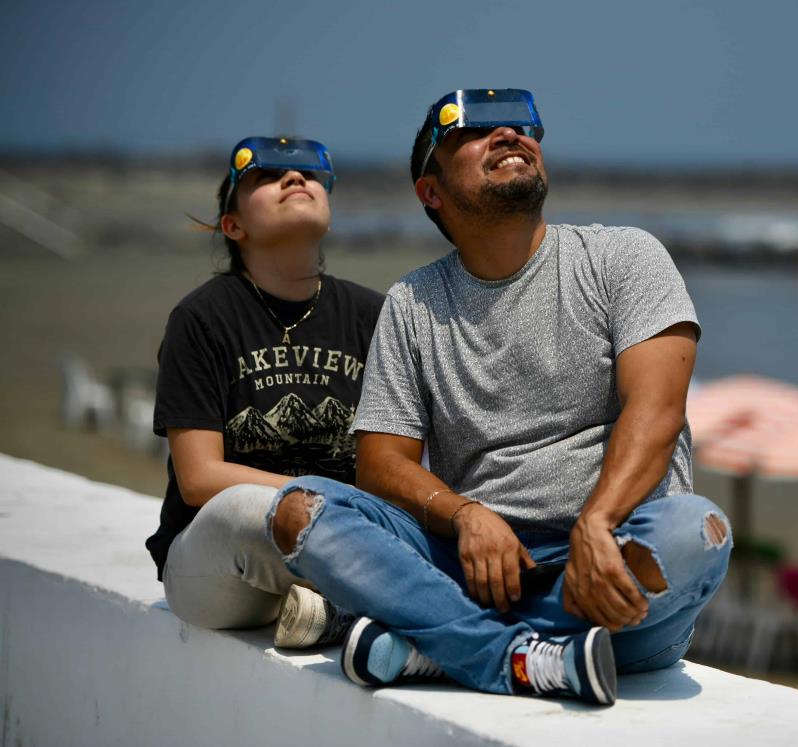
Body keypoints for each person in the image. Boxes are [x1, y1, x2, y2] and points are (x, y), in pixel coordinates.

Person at [268, 89, 732, 706]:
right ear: (431, 190)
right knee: (300, 508)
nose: (510, 133)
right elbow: (380, 464)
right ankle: (510, 657)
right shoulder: (413, 303)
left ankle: (442, 643)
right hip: (478, 571)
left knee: (696, 530)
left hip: (608, 563)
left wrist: (597, 523)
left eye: (522, 123)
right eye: (476, 130)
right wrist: (465, 515)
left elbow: (658, 410)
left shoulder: (624, 257)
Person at [144, 136, 385, 646]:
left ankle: (339, 613)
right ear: (234, 226)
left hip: (342, 542)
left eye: (311, 177)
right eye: (267, 176)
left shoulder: (375, 316)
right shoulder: (202, 319)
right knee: (246, 511)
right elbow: (200, 478)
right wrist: (333, 501)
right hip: (221, 567)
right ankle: (376, 606)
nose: (295, 179)